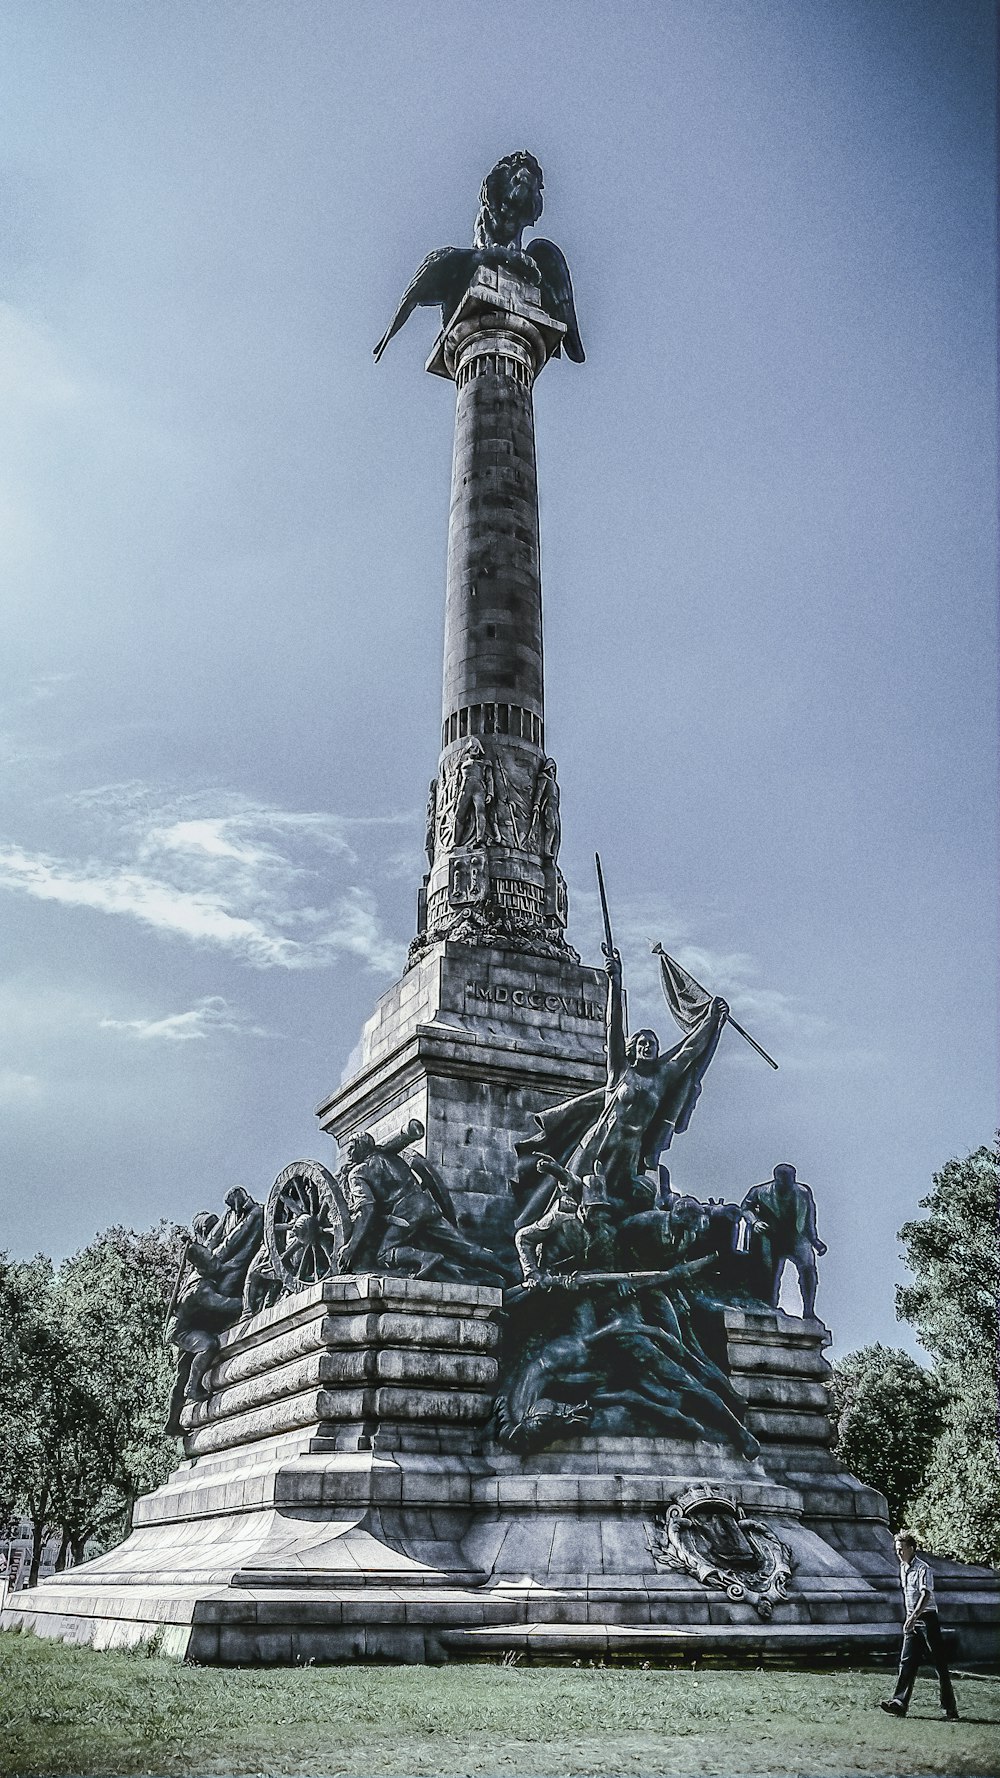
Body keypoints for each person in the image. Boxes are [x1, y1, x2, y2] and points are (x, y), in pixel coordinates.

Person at [880, 1531, 959, 1719]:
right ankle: (899, 1702)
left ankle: (950, 1708)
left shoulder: (923, 1568)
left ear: (911, 1549)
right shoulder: (902, 1567)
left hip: (927, 1619)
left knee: (939, 1663)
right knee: (906, 1661)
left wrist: (913, 1616)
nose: (899, 1553)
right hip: (912, 1620)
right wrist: (910, 1618)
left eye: (902, 1550)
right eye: (897, 1550)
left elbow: (926, 1595)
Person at [741, 1163, 826, 1318]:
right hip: (772, 1238)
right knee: (770, 1275)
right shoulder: (759, 1192)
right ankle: (770, 1308)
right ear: (776, 1179)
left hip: (797, 1237)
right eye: (784, 1180)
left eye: (791, 1180)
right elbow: (745, 1208)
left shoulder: (803, 1192)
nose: (788, 1183)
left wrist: (814, 1240)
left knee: (808, 1269)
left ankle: (809, 1311)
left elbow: (809, 1216)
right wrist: (755, 1222)